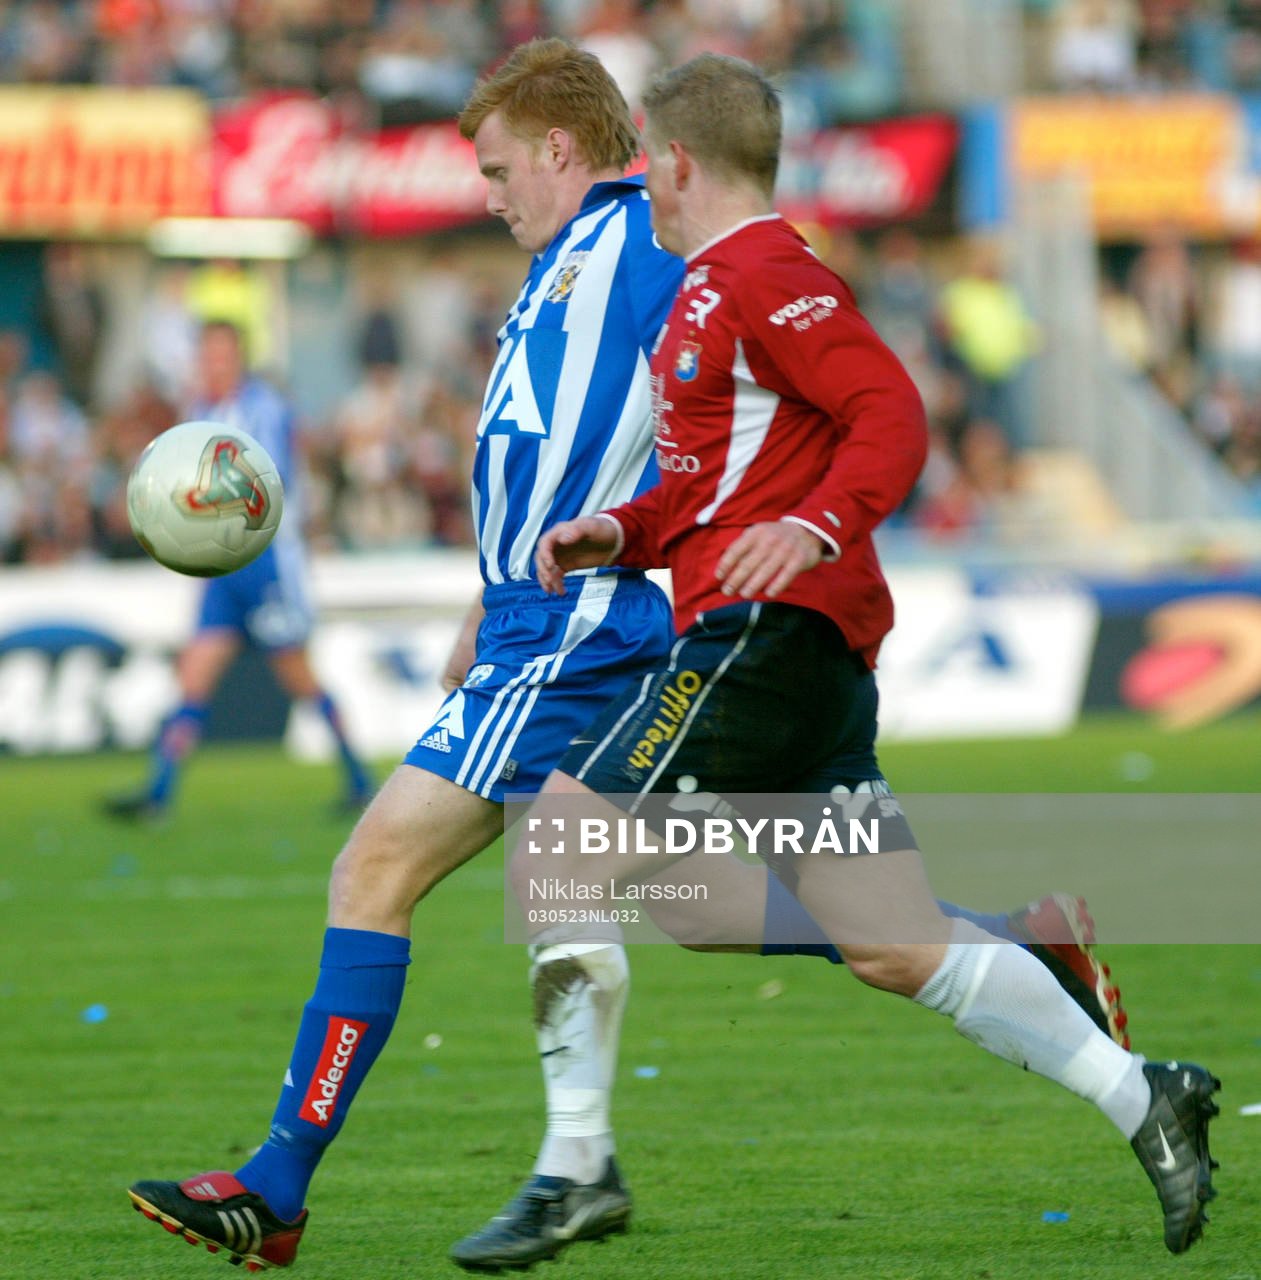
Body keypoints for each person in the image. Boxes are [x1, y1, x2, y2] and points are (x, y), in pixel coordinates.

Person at [125, 42, 1128, 1276]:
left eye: (498, 167)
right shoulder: (558, 268)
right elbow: (549, 458)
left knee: (381, 867)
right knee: (701, 904)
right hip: (533, 619)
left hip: (585, 630)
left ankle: (342, 1179)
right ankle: (1006, 948)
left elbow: (777, 371)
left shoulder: (648, 242)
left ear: (562, 149)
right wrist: (481, 597)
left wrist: (794, 529)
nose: (487, 192)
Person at [515, 52, 1220, 1263]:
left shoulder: (771, 276)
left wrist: (810, 525)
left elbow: (890, 411)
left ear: (677, 160)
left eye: (645, 158)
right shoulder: (703, 293)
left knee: (565, 843)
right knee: (893, 943)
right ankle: (1142, 1094)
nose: (642, 181)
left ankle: (575, 1165)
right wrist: (618, 532)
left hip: (761, 640)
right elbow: (702, 486)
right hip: (798, 661)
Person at [103, 319, 374, 820]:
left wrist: (189, 502)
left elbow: (265, 487)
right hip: (222, 568)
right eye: (205, 356)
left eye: (219, 355)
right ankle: (158, 793)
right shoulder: (201, 413)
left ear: (238, 358)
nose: (211, 365)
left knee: (300, 677)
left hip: (265, 562)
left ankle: (360, 779)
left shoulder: (263, 409)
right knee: (194, 675)